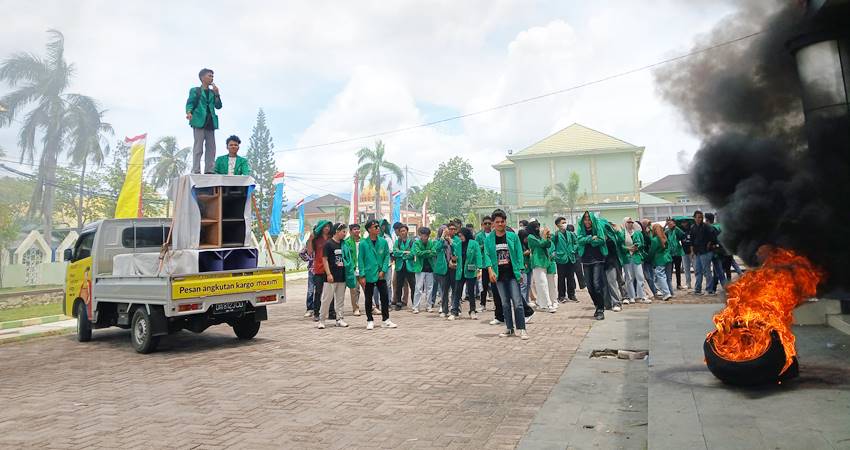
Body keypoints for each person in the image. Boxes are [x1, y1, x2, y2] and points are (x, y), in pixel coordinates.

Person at [483, 209, 529, 339]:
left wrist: (520, 271)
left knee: (517, 302)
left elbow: (519, 254)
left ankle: (522, 329)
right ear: (493, 223)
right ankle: (509, 328)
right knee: (505, 303)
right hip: (499, 275)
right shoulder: (489, 239)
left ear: (505, 222)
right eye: (497, 222)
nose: (500, 224)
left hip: (512, 274)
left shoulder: (512, 236)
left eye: (502, 221)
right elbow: (486, 255)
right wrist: (490, 270)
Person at [358, 219, 397, 329]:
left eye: (378, 226)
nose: (378, 228)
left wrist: (383, 270)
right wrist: (362, 275)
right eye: (375, 227)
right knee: (368, 298)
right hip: (369, 273)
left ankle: (386, 319)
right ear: (369, 229)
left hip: (381, 274)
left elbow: (386, 257)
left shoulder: (383, 242)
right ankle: (370, 320)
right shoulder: (363, 243)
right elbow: (360, 260)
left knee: (384, 297)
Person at [185, 68, 222, 174]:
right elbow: (190, 103)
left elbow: (218, 106)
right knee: (198, 147)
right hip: (198, 121)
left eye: (212, 76)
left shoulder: (212, 92)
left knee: (211, 147)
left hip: (211, 122)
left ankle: (209, 170)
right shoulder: (195, 90)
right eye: (209, 76)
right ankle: (196, 170)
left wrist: (217, 94)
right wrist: (189, 112)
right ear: (202, 77)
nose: (212, 78)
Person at [318, 223, 349, 329]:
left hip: (341, 276)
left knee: (340, 299)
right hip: (331, 277)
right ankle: (322, 320)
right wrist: (328, 274)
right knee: (326, 299)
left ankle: (339, 319)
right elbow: (324, 260)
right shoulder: (328, 244)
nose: (345, 234)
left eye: (345, 232)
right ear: (337, 231)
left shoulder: (344, 244)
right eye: (343, 231)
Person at [577, 211, 607, 320]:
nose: (587, 221)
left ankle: (600, 309)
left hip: (598, 259)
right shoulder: (581, 229)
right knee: (589, 287)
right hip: (585, 260)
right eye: (585, 219)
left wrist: (592, 240)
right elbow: (579, 240)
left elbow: (601, 239)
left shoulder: (598, 228)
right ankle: (597, 305)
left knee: (597, 285)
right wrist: (591, 238)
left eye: (589, 219)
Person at [451, 227, 483, 320]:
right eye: (459, 236)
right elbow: (455, 256)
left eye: (461, 236)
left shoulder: (474, 243)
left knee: (471, 292)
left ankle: (472, 311)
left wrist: (479, 269)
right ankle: (454, 311)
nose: (460, 238)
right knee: (457, 292)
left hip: (471, 271)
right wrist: (454, 259)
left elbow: (478, 256)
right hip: (460, 271)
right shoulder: (458, 245)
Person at [307, 221, 333, 321]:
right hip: (319, 269)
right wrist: (310, 239)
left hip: (330, 269)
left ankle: (331, 312)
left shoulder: (332, 238)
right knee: (318, 292)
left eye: (328, 226)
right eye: (325, 226)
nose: (327, 228)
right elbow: (309, 252)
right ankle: (316, 313)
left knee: (331, 291)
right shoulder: (316, 239)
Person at [527, 220, 555, 313]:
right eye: (536, 227)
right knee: (543, 283)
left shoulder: (539, 236)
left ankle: (540, 303)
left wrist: (548, 237)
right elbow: (541, 244)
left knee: (541, 284)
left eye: (538, 226)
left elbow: (548, 244)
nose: (538, 228)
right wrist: (544, 237)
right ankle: (548, 304)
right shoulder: (530, 237)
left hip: (544, 262)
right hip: (537, 262)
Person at [621, 218, 648, 304]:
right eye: (628, 222)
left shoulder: (637, 233)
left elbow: (641, 243)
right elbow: (620, 246)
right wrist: (628, 248)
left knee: (640, 276)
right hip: (627, 258)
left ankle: (641, 295)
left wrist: (636, 246)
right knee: (629, 278)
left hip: (636, 257)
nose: (630, 224)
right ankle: (631, 296)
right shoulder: (622, 234)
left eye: (632, 222)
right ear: (625, 223)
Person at [602, 219, 626, 312]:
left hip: (612, 262)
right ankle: (607, 303)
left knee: (613, 283)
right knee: (604, 284)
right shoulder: (597, 237)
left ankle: (617, 303)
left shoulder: (613, 236)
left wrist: (618, 231)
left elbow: (621, 241)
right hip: (601, 263)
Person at [553, 217, 579, 302]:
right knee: (561, 278)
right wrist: (555, 255)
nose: (565, 224)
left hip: (570, 258)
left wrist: (573, 249)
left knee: (571, 277)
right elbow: (551, 246)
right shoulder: (555, 235)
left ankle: (572, 295)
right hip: (561, 259)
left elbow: (576, 243)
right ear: (558, 225)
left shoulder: (571, 234)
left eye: (565, 222)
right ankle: (561, 296)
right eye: (563, 222)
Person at [691, 210, 717, 295]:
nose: (699, 219)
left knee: (707, 271)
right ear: (694, 218)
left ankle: (710, 289)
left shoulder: (706, 226)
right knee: (698, 271)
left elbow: (713, 237)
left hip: (706, 252)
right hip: (697, 252)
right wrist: (692, 251)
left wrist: (709, 244)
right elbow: (691, 240)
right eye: (698, 217)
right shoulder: (693, 227)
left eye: (701, 217)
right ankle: (698, 289)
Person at [411, 227, 436, 314]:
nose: (425, 237)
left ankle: (429, 306)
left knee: (430, 288)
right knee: (418, 288)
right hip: (420, 268)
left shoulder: (431, 242)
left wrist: (424, 252)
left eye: (427, 236)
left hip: (430, 268)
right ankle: (415, 307)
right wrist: (428, 252)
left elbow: (434, 252)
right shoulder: (416, 243)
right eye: (423, 235)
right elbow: (417, 253)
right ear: (420, 235)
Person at [391, 225, 416, 311]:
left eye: (404, 231)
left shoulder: (412, 242)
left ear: (407, 231)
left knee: (413, 285)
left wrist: (401, 254)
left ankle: (414, 303)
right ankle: (398, 303)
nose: (402, 232)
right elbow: (395, 252)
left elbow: (413, 253)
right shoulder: (397, 242)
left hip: (410, 267)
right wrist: (405, 253)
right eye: (401, 231)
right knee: (399, 285)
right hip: (400, 267)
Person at [648, 223, 673, 301]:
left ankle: (666, 293)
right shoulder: (665, 237)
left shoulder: (655, 239)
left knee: (661, 276)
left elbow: (652, 251)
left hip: (660, 259)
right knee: (668, 277)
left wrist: (649, 258)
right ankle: (670, 292)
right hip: (668, 258)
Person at [705, 213, 728, 294]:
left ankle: (711, 289)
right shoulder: (719, 226)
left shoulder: (710, 228)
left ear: (707, 220)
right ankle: (723, 288)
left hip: (712, 251)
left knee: (709, 271)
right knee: (719, 271)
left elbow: (711, 240)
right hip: (720, 250)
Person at [475, 216, 493, 311]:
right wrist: (484, 245)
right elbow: (476, 249)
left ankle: (497, 304)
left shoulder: (494, 234)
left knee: (495, 285)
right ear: (482, 225)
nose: (487, 225)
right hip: (483, 264)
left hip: (493, 264)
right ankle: (483, 304)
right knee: (484, 285)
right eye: (485, 223)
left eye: (489, 223)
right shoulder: (478, 236)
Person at [343, 224, 362, 316]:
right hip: (352, 269)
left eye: (358, 229)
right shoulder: (347, 243)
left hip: (363, 269)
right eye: (354, 229)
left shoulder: (364, 242)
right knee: (354, 290)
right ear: (350, 231)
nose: (357, 231)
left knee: (368, 289)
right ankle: (356, 308)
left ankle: (372, 307)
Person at [665, 217, 686, 292]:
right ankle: (669, 284)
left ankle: (679, 284)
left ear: (674, 224)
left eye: (671, 223)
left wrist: (675, 227)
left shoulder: (676, 230)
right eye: (669, 223)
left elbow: (683, 235)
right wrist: (665, 225)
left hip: (677, 253)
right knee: (669, 270)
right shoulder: (667, 232)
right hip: (670, 253)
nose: (670, 225)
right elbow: (662, 234)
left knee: (678, 269)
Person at [680, 220, 694, 290]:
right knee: (686, 269)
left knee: (696, 268)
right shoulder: (681, 231)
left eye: (685, 222)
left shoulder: (691, 230)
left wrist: (693, 251)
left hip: (692, 252)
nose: (683, 224)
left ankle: (698, 283)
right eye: (682, 222)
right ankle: (688, 283)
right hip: (684, 252)